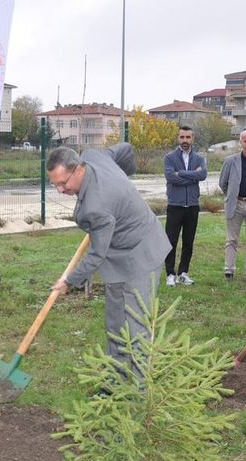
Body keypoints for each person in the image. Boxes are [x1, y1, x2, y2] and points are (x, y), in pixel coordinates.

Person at [48, 144, 171, 378]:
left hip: (141, 255)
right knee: (115, 322)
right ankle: (116, 380)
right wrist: (124, 175)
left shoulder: (98, 206)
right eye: (55, 184)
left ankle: (139, 390)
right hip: (118, 256)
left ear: (79, 169)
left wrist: (69, 280)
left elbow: (96, 254)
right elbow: (125, 149)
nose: (60, 190)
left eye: (63, 183)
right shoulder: (94, 155)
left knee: (136, 325)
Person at [163, 125, 207, 287]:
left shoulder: (200, 158)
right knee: (171, 241)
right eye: (182, 137)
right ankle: (170, 274)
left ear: (193, 139)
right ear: (178, 138)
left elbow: (202, 175)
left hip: (193, 206)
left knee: (188, 241)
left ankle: (183, 273)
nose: (185, 140)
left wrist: (180, 173)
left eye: (188, 137)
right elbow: (170, 177)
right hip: (175, 205)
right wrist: (192, 176)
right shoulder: (169, 158)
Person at [219, 129, 246, 283]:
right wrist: (232, 195)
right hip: (235, 204)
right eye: (245, 141)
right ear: (241, 142)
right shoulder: (230, 161)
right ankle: (229, 270)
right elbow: (223, 183)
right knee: (231, 240)